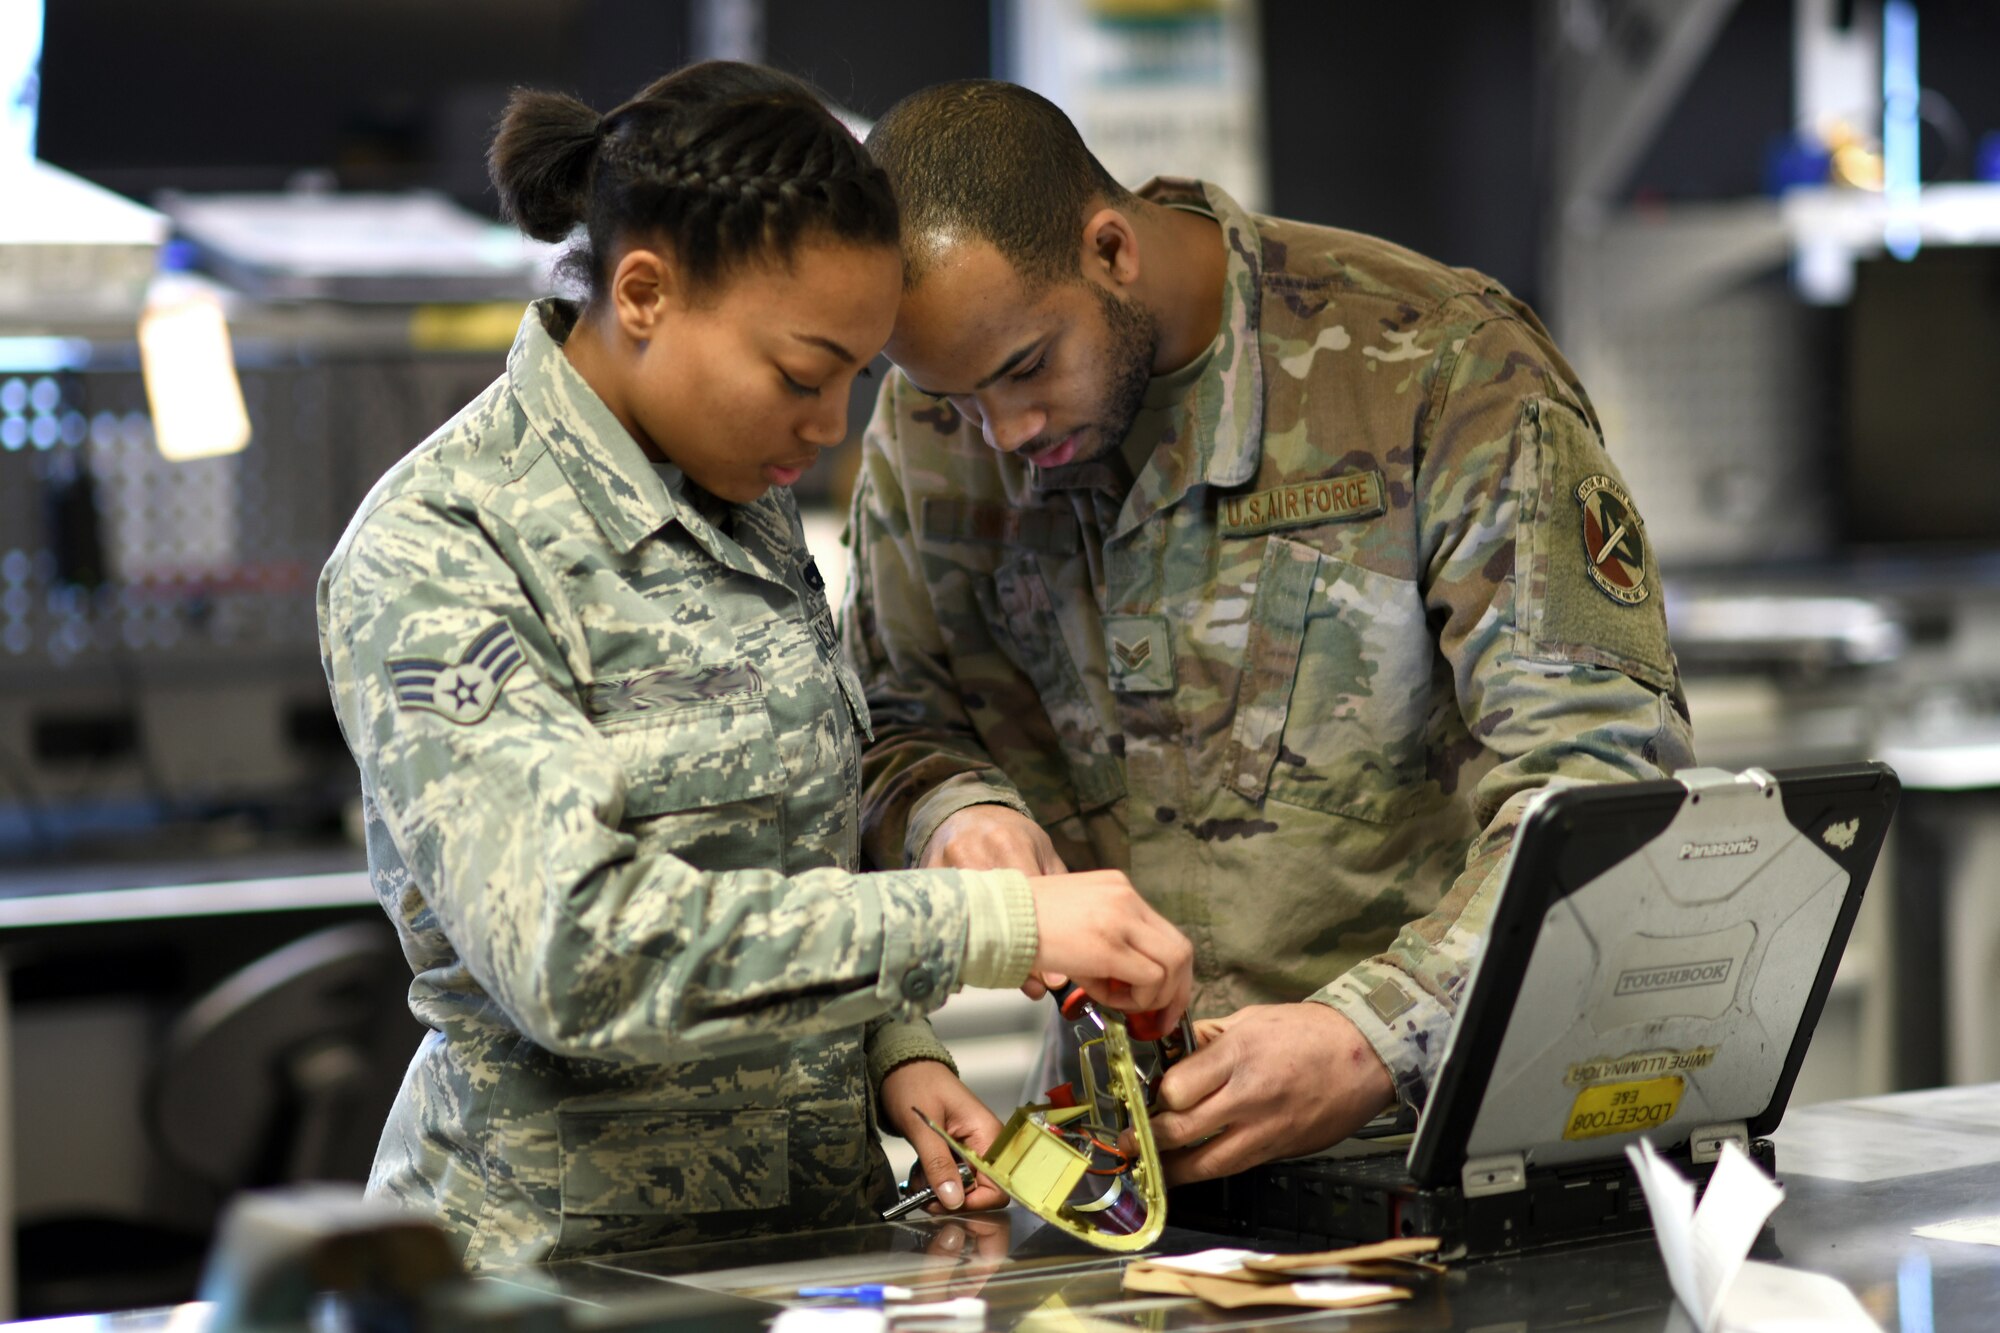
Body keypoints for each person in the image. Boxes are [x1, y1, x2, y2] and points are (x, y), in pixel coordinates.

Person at [316, 62, 1192, 1269]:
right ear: (642, 294)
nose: (830, 427)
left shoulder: (737, 496)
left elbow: (778, 848)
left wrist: (893, 1049)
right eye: (800, 375)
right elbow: (582, 952)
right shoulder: (444, 547)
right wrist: (994, 922)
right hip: (554, 1272)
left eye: (853, 379)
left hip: (801, 1260)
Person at [842, 80, 1695, 1186]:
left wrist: (1371, 1039)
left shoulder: (1431, 371)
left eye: (1023, 370)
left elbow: (1598, 792)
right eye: (954, 400)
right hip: (1126, 1175)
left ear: (1110, 250)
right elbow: (888, 722)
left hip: (1438, 1155)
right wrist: (954, 816)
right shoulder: (929, 420)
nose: (1001, 433)